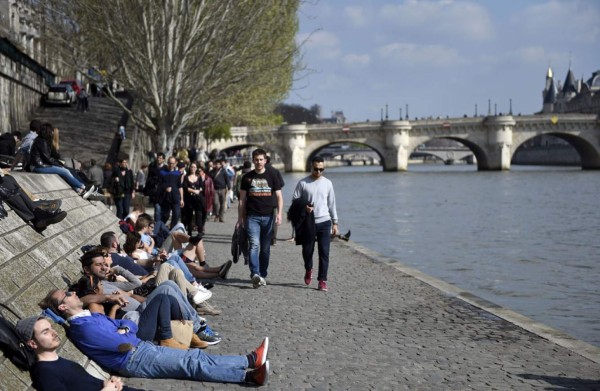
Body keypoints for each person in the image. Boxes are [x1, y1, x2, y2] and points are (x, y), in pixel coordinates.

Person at [38, 288, 270, 386]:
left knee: (194, 356)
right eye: (67, 294)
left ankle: (249, 362)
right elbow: (120, 342)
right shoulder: (82, 327)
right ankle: (248, 376)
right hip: (134, 358)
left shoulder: (89, 316)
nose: (73, 293)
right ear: (62, 307)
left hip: (140, 350)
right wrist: (125, 330)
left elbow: (123, 324)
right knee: (190, 364)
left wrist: (125, 327)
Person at [16, 315, 141, 391]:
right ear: (32, 343)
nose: (53, 332)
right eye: (45, 332)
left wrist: (108, 383)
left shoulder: (61, 362)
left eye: (51, 328)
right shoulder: (44, 372)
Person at [237, 148, 283, 288]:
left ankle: (263, 274)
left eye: (261, 160)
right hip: (252, 217)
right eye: (256, 160)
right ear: (253, 161)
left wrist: (279, 214)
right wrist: (240, 218)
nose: (259, 162)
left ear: (265, 160)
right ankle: (255, 274)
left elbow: (279, 196)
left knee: (265, 249)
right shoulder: (247, 177)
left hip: (269, 216)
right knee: (254, 245)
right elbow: (242, 200)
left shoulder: (273, 174)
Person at [291, 156, 338, 292]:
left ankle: (322, 280)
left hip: (325, 222)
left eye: (321, 169)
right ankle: (308, 268)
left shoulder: (328, 183)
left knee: (324, 252)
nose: (318, 172)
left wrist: (335, 222)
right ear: (311, 167)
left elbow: (332, 204)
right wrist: (305, 207)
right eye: (316, 169)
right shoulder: (303, 183)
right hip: (308, 222)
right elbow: (295, 201)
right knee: (307, 251)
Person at [28, 123, 94, 197]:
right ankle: (83, 187)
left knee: (66, 171)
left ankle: (79, 190)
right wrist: (59, 165)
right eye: (52, 131)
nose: (53, 133)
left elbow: (51, 156)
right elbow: (47, 158)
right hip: (38, 166)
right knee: (64, 171)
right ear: (48, 131)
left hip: (41, 165)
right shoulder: (41, 141)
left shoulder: (44, 141)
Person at [159, 156, 184, 229]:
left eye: (173, 163)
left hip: (175, 197)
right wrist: (165, 188)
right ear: (167, 163)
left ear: (175, 163)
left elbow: (180, 186)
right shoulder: (162, 172)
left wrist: (182, 199)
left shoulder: (178, 173)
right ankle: (160, 228)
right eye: (170, 163)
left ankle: (171, 229)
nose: (171, 165)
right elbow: (159, 185)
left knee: (176, 215)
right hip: (166, 198)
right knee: (165, 215)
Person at [182, 162, 206, 234]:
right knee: (189, 215)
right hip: (189, 199)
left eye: (194, 167)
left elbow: (202, 187)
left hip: (197, 199)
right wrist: (193, 191)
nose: (193, 168)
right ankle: (189, 232)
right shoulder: (186, 177)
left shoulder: (199, 177)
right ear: (189, 168)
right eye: (192, 167)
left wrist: (198, 191)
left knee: (199, 215)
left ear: (196, 168)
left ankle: (200, 232)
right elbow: (185, 187)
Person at [265, 156, 284, 246]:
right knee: (273, 220)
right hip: (273, 199)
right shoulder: (275, 171)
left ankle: (263, 238)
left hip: (261, 199)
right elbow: (281, 184)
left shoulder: (260, 171)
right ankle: (273, 239)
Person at [145, 152, 166, 222]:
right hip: (155, 191)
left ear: (163, 160)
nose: (159, 159)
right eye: (158, 158)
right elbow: (149, 178)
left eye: (160, 158)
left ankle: (161, 224)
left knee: (164, 212)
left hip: (164, 192)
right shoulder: (152, 166)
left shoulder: (166, 168)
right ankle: (157, 225)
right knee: (157, 209)